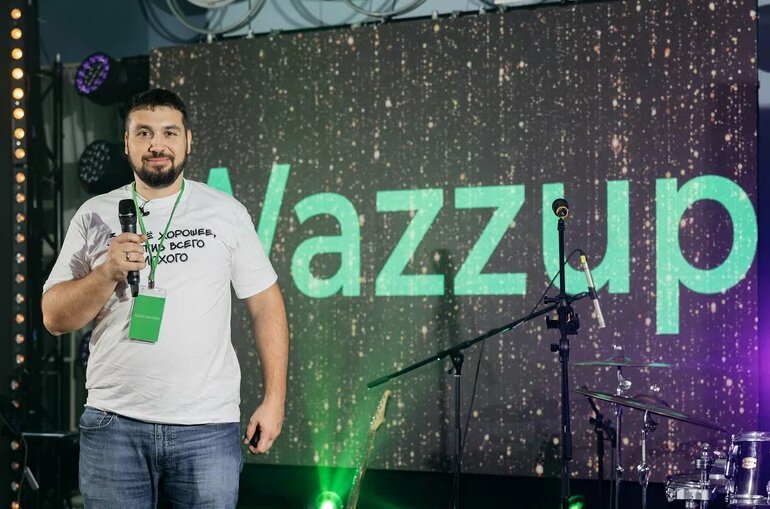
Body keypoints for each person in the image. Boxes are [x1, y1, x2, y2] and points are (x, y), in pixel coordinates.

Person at [41, 88, 289, 508]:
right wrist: (107, 272)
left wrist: (275, 399)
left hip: (206, 428)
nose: (157, 144)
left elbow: (266, 305)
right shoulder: (94, 213)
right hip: (114, 425)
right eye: (144, 133)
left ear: (188, 140)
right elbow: (54, 317)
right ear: (126, 143)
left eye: (169, 132)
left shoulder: (225, 212)